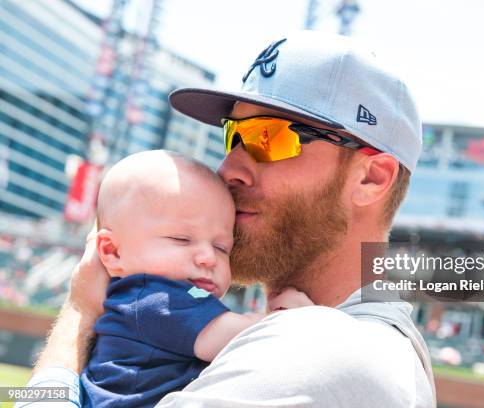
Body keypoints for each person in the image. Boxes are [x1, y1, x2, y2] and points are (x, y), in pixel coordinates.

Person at [21, 30, 436, 407]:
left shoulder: (321, 351)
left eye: (268, 138)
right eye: (233, 136)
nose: (229, 166)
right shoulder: (386, 342)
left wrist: (79, 310)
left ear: (371, 178)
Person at [79, 150, 312, 407]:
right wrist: (288, 316)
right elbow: (246, 337)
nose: (208, 258)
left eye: (222, 248)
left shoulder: (185, 294)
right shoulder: (155, 298)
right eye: (181, 239)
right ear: (112, 251)